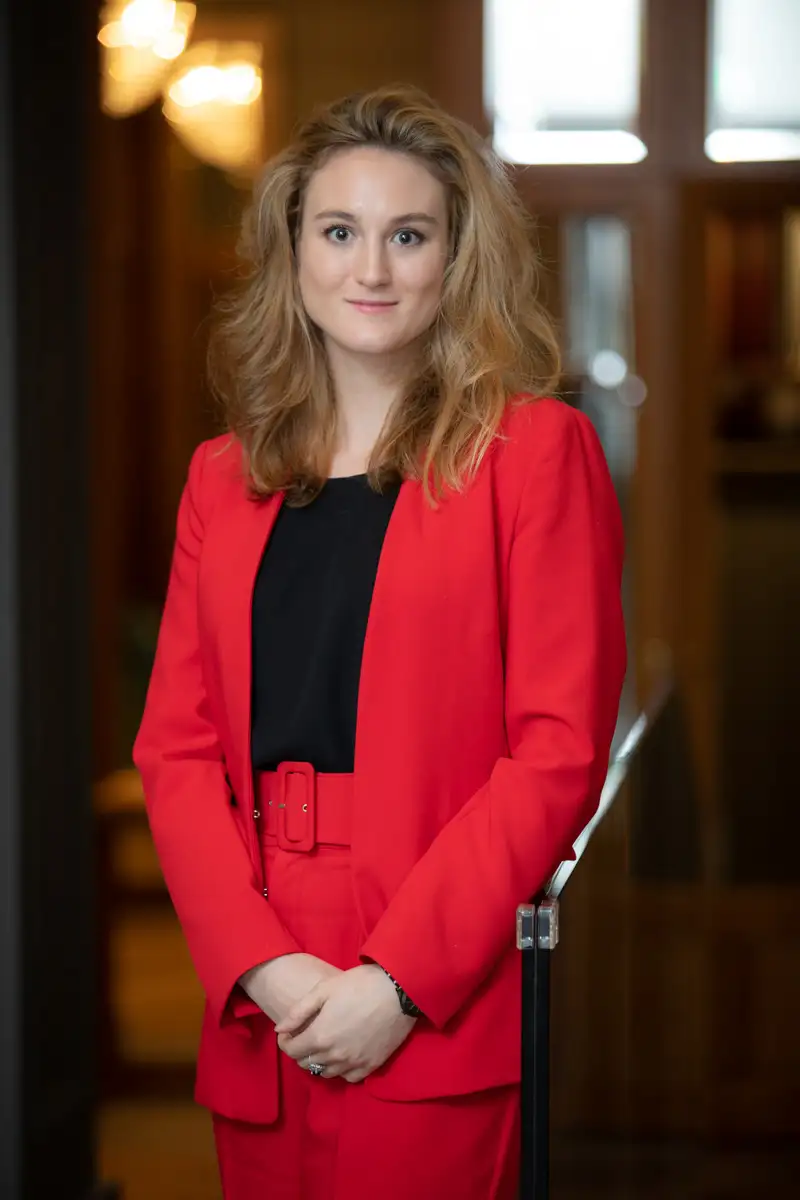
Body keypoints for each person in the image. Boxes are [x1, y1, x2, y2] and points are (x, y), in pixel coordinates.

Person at [133, 84, 626, 1200]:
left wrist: (396, 982)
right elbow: (173, 750)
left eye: (408, 236)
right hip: (261, 953)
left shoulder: (532, 453)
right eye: (338, 232)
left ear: (455, 258)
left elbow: (555, 754)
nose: (371, 270)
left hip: (429, 952)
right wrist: (258, 962)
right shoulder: (222, 477)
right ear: (292, 252)